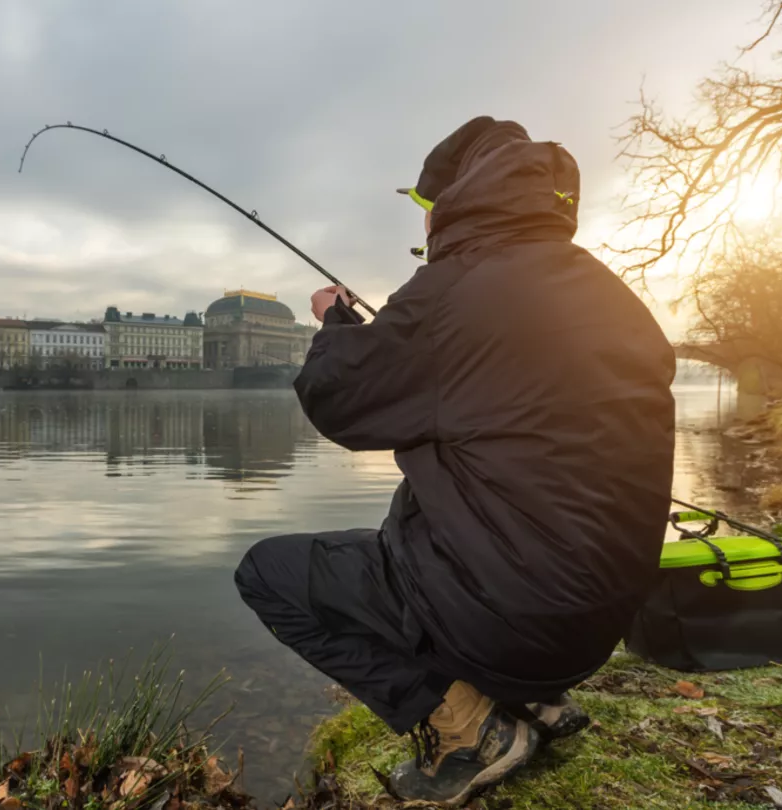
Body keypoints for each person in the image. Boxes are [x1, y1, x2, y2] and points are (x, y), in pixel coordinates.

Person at [233, 116, 676, 807]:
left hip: (517, 624)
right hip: (597, 629)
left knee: (270, 575)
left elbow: (339, 404)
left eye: (429, 204)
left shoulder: (454, 290)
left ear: (458, 196)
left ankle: (466, 725)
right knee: (447, 510)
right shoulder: (610, 296)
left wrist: (334, 323)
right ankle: (537, 703)